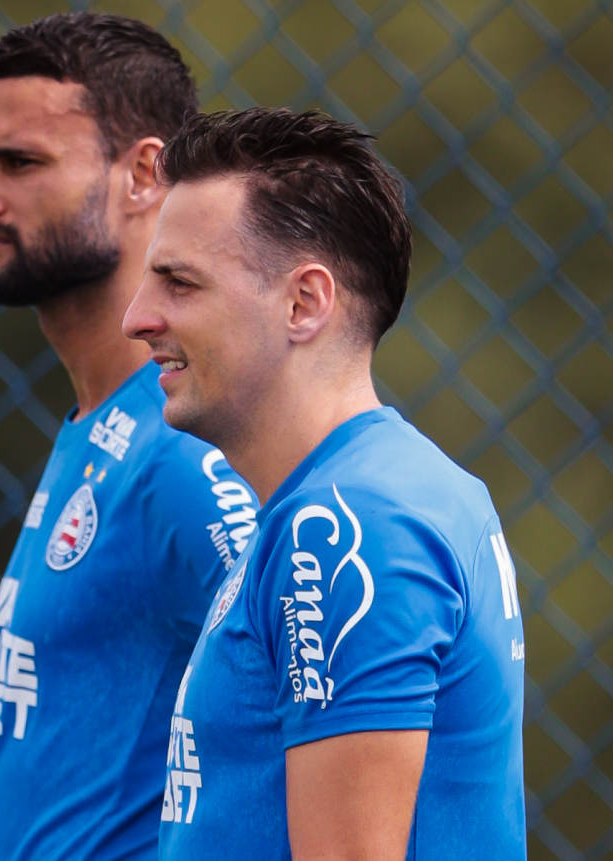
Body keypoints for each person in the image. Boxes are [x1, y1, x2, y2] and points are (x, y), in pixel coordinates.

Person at [123, 107, 527, 859]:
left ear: (304, 302)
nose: (137, 318)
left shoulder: (351, 526)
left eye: (178, 282)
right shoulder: (363, 496)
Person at [0, 15, 255, 860]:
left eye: (20, 163)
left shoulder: (186, 449)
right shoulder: (101, 425)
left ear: (144, 174)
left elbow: (322, 701)